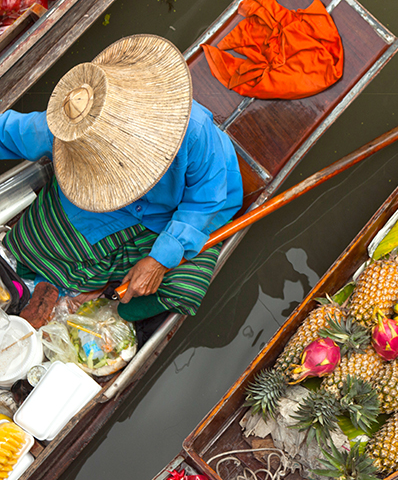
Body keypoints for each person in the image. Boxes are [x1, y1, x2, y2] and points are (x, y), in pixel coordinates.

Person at [0, 34, 244, 321]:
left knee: (183, 287)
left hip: (173, 214)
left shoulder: (194, 132)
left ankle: (106, 296)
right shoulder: (73, 127)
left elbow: (205, 203)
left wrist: (158, 260)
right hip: (103, 203)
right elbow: (11, 131)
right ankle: (74, 284)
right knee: (35, 240)